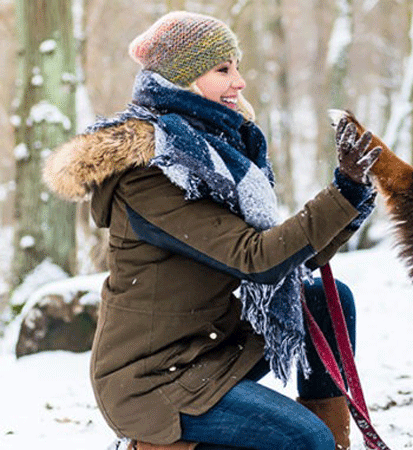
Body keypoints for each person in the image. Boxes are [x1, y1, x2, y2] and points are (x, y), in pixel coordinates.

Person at [44, 11, 381, 450]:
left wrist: (352, 195)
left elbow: (289, 259)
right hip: (154, 380)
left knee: (320, 300)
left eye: (236, 66)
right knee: (303, 438)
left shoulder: (216, 155)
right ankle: (151, 445)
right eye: (223, 69)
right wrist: (341, 191)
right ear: (182, 81)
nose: (239, 81)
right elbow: (257, 259)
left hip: (211, 346)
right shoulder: (150, 173)